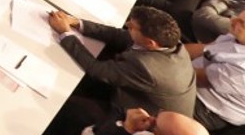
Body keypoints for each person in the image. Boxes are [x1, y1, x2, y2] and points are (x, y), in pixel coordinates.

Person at [44, 8, 196, 118]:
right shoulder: (172, 44)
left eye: (131, 27)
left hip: (139, 119)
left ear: (151, 43)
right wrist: (76, 22)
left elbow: (97, 70)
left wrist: (65, 32)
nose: (127, 24)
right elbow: (119, 35)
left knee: (60, 101)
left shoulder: (147, 68)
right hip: (139, 93)